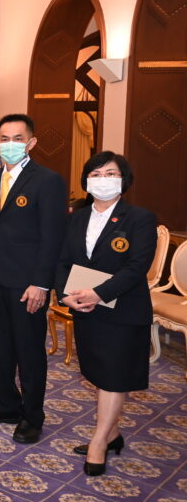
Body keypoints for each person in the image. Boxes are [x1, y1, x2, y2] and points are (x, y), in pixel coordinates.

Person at [55, 152, 156, 476]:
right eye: (96, 174)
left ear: (124, 180)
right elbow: (62, 261)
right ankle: (113, 435)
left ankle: (99, 442)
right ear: (86, 181)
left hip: (123, 310)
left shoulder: (139, 218)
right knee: (99, 373)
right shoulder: (76, 217)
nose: (103, 179)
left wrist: (99, 293)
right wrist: (65, 294)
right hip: (85, 309)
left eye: (110, 173)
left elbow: (136, 267)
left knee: (114, 377)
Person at [0, 114, 67, 444]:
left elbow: (52, 237)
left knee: (28, 351)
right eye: (4, 138)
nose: (9, 144)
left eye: (17, 138)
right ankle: (5, 404)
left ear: (31, 142)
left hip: (28, 283)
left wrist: (41, 283)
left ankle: (32, 415)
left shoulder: (48, 181)